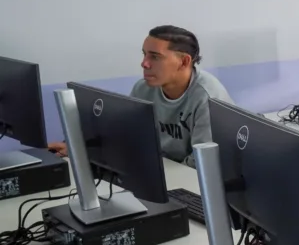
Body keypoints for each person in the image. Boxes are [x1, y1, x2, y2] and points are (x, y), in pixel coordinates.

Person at [49, 26, 231, 168]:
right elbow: (127, 134)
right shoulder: (144, 88)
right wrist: (82, 149)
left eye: (155, 57)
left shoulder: (207, 97)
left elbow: (202, 164)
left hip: (194, 181)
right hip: (162, 171)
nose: (144, 63)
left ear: (184, 62)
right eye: (144, 55)